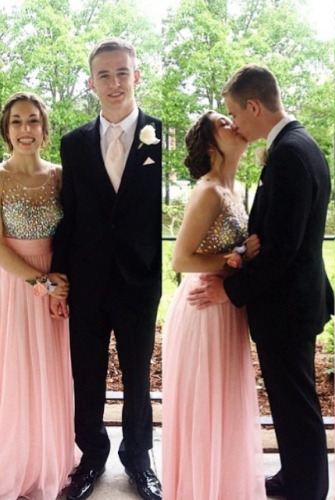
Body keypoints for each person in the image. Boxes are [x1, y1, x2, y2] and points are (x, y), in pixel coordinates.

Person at [188, 64, 334, 500]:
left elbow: (283, 249)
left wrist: (229, 289)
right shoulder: (298, 144)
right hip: (292, 300)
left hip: (287, 305)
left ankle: (308, 489)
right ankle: (294, 476)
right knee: (289, 402)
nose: (235, 123)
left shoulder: (288, 153)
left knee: (296, 404)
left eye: (235, 113)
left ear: (253, 106)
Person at [50, 38, 162, 500]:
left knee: (137, 377)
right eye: (104, 75)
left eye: (122, 73)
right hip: (87, 281)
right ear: (91, 82)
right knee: (87, 374)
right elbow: (68, 214)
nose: (114, 83)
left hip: (140, 280)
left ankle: (139, 460)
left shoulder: (160, 134)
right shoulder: (73, 143)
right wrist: (58, 277)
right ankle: (91, 457)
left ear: (136, 76)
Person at [161, 110, 265, 499]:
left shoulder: (231, 190)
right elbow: (181, 259)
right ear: (210, 146)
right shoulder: (208, 191)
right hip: (203, 308)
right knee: (205, 407)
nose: (234, 124)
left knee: (225, 406)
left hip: (226, 308)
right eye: (223, 123)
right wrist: (236, 256)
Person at [0, 91, 75, 499]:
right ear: (6, 130)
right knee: (16, 372)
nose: (25, 129)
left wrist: (60, 285)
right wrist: (40, 283)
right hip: (16, 286)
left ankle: (50, 457)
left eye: (32, 120)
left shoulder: (61, 176)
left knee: (51, 371)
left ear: (44, 129)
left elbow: (76, 232)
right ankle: (17, 461)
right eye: (16, 121)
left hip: (57, 284)